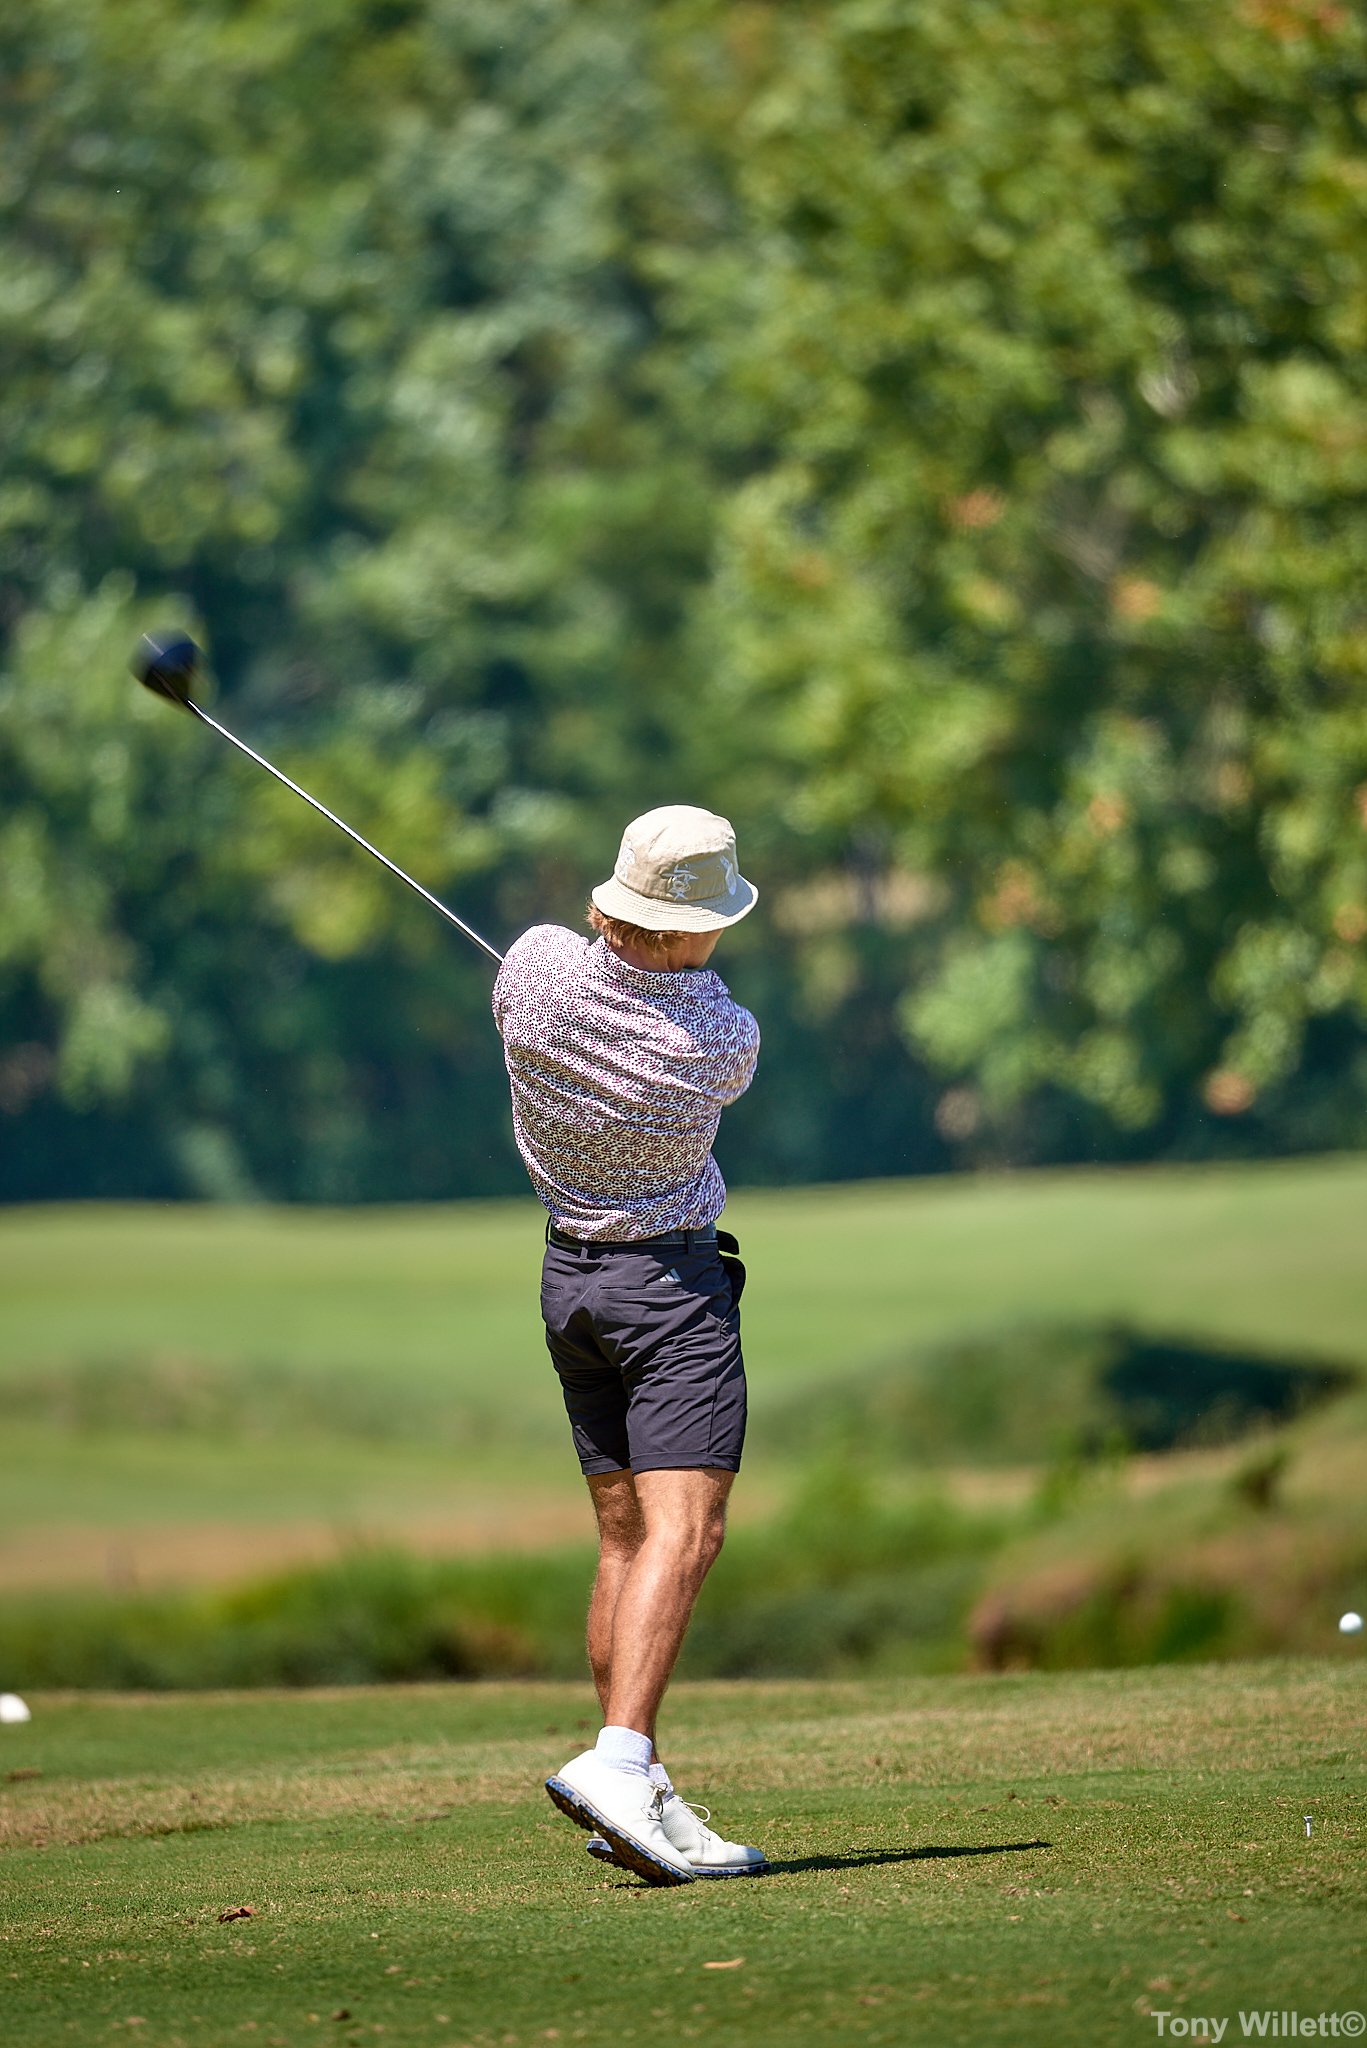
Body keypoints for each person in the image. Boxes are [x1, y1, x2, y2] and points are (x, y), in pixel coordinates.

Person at [492, 804, 764, 1887]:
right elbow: (690, 1001)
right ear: (699, 922)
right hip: (666, 1293)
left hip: (571, 1286)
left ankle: (633, 1785)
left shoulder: (531, 971)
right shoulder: (720, 1039)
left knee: (623, 1540)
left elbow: (561, 959)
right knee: (684, 1533)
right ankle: (617, 1760)